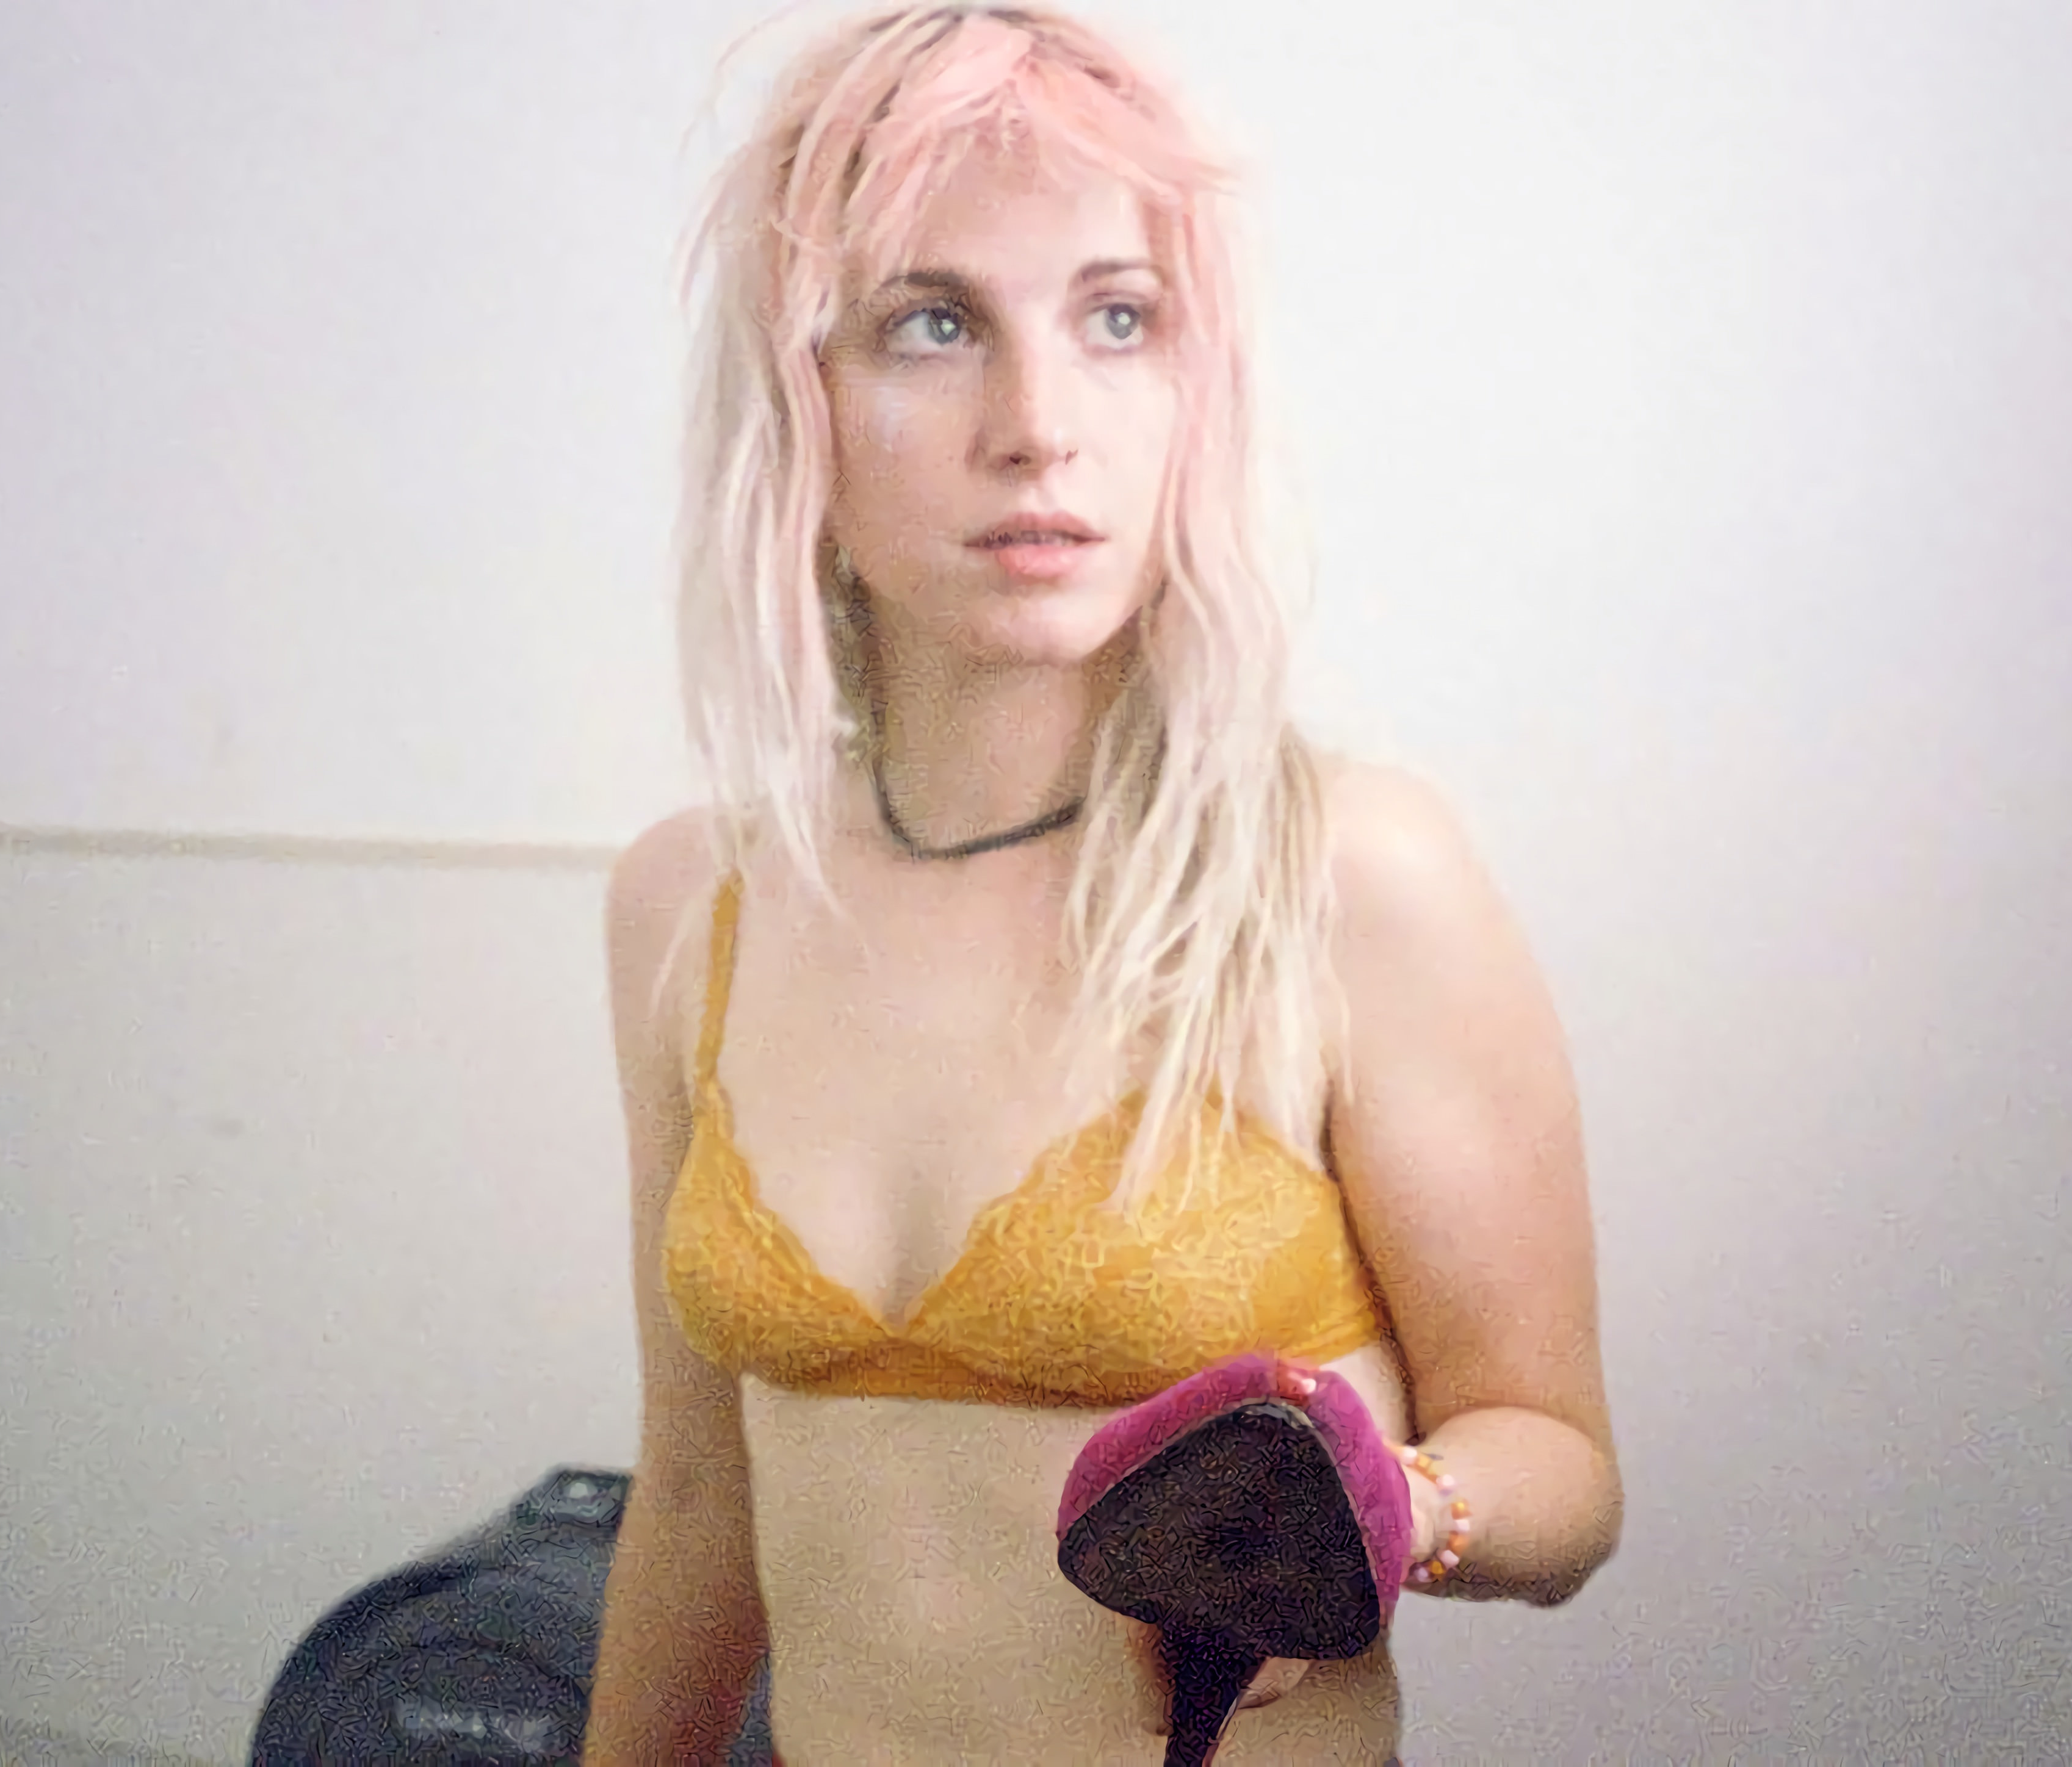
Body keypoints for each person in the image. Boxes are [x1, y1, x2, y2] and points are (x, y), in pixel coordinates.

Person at [583, 5, 1622, 1761]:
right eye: (932, 323)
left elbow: (1563, 1470)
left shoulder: (1349, 878)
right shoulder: (692, 903)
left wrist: (1397, 1511)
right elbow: (694, 1502)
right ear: (797, 396)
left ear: (1194, 385)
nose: (1038, 424)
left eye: (1117, 318)